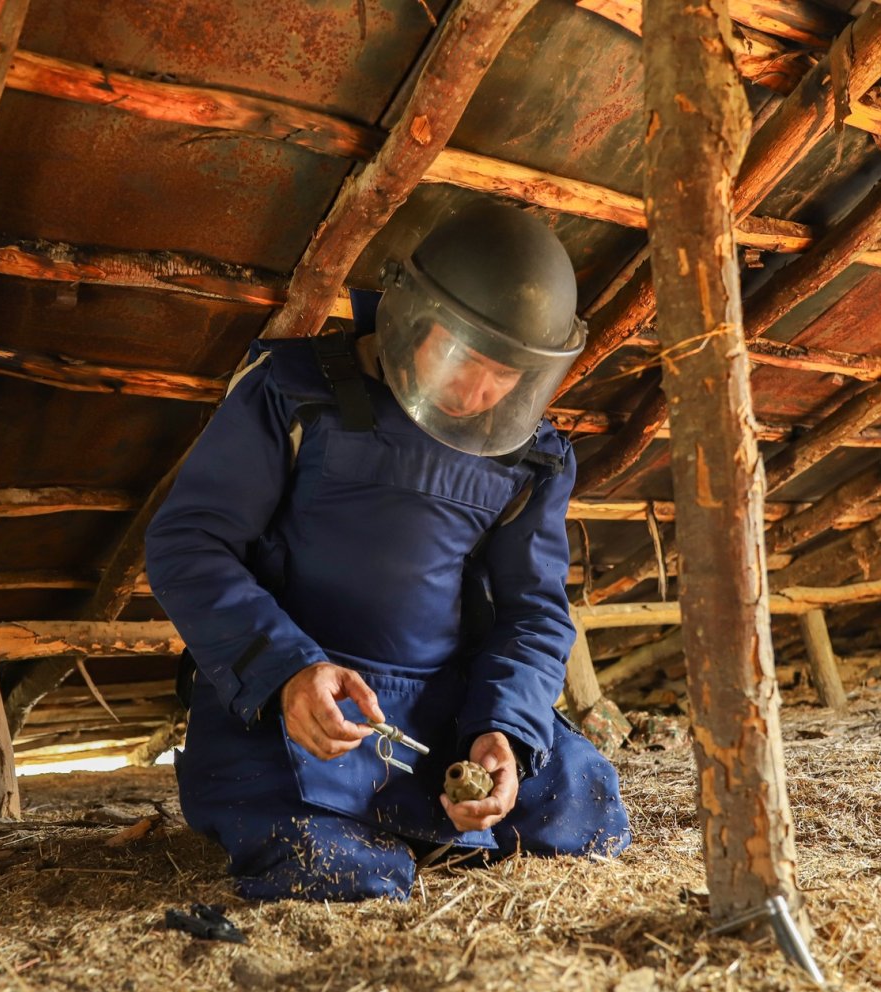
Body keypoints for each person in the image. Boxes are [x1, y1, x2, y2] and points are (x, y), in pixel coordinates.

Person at [145, 202, 630, 901]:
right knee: (337, 870)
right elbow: (187, 542)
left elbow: (535, 615)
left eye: (507, 375)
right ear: (411, 317)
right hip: (298, 708)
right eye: (466, 358)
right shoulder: (296, 396)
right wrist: (288, 670)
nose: (480, 391)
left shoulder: (532, 459)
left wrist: (505, 732)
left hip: (442, 713)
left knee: (581, 812)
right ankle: (388, 841)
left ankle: (449, 819)